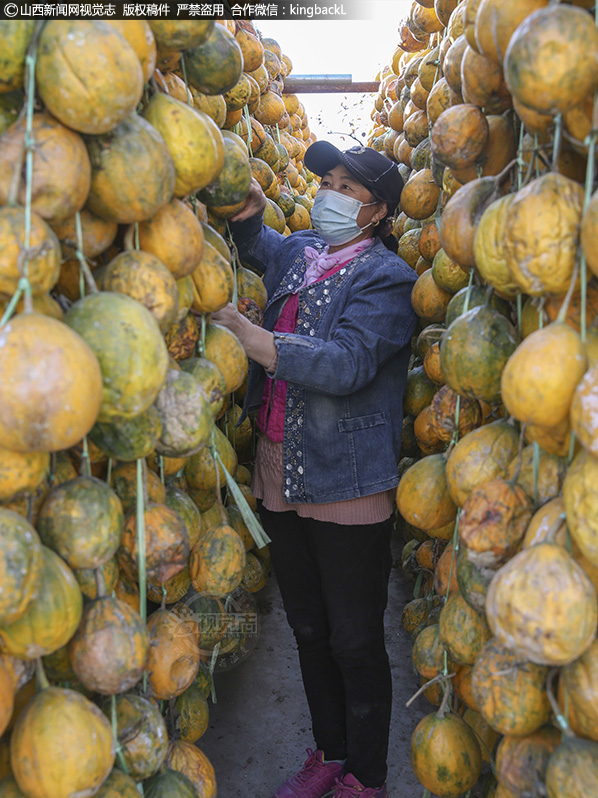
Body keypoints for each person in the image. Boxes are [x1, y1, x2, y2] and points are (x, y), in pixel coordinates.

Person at [211, 142, 418, 798]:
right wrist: (247, 216)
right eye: (326, 182)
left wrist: (258, 342)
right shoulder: (303, 251)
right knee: (307, 627)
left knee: (355, 638)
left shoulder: (387, 279)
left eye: (347, 189)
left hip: (346, 484)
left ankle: (367, 775)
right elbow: (264, 249)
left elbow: (348, 362)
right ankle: (329, 751)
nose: (330, 195)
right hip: (281, 478)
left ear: (379, 209)